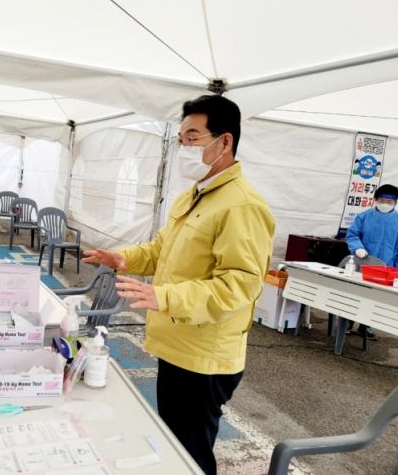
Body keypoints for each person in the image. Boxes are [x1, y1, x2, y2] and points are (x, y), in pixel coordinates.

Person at [83, 95, 275, 475]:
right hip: (177, 343)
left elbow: (240, 285)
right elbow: (162, 249)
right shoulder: (195, 195)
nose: (184, 146)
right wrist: (123, 258)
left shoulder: (242, 205)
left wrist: (165, 296)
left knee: (191, 453)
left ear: (225, 141)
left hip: (204, 356)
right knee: (173, 441)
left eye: (193, 137)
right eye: (181, 139)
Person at [346, 184, 398, 339]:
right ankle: (348, 321)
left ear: (395, 202)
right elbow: (352, 235)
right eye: (382, 200)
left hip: (386, 267)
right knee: (356, 292)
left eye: (390, 202)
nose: (385, 204)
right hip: (363, 262)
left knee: (376, 297)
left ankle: (366, 325)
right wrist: (357, 247)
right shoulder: (364, 217)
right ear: (375, 200)